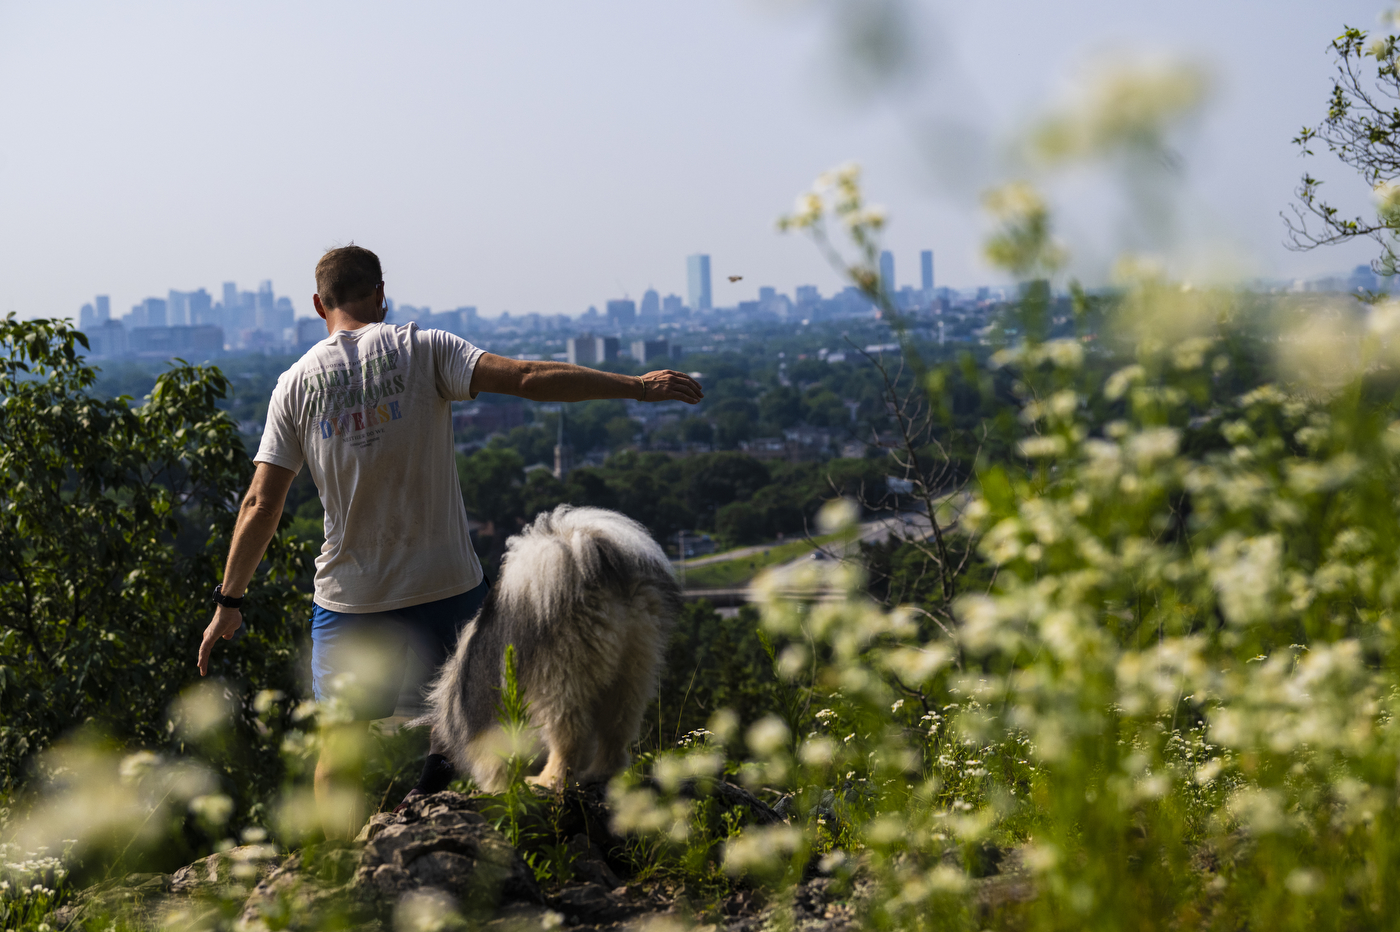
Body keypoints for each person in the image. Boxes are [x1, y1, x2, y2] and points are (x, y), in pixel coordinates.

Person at [196, 245, 703, 838]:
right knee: (480, 722)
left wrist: (228, 603)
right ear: (381, 294)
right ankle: (483, 832)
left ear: (317, 304)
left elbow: (261, 502)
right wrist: (638, 387)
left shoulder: (295, 385)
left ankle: (338, 874)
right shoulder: (424, 348)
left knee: (338, 750)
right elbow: (527, 377)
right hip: (448, 586)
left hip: (349, 598)